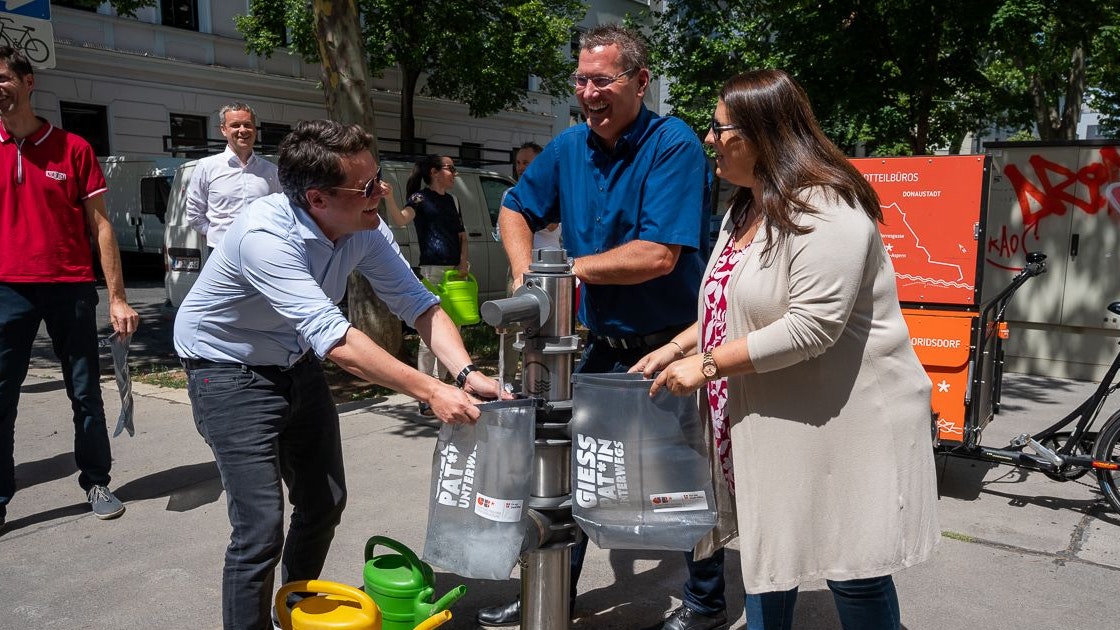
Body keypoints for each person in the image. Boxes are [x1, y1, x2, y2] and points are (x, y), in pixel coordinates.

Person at [634, 69, 941, 630]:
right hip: (772, 416)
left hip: (846, 423)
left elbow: (811, 327)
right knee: (767, 555)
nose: (709, 140)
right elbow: (728, 304)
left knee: (854, 567)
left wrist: (703, 366)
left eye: (718, 127)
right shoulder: (745, 207)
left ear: (759, 134)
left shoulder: (828, 209)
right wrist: (676, 345)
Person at [173, 120, 504, 630]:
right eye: (367, 187)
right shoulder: (266, 234)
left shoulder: (364, 225)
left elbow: (418, 303)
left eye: (378, 179)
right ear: (317, 198)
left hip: (293, 360)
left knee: (324, 502)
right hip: (227, 370)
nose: (382, 193)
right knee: (259, 529)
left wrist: (462, 372)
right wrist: (431, 389)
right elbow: (337, 338)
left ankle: (293, 612)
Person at [483, 25, 729, 630]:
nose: (589, 92)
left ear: (641, 82)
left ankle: (705, 603)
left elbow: (658, 255)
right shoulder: (568, 147)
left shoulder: (673, 144)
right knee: (569, 475)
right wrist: (523, 274)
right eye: (581, 80)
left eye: (603, 80)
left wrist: (558, 272)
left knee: (684, 474)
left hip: (672, 345)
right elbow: (516, 207)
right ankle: (552, 591)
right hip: (596, 347)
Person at [0, 46, 140, 530]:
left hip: (70, 286)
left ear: (26, 81)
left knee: (85, 393)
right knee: (1, 398)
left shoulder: (73, 149)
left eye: (2, 77)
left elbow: (102, 226)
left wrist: (118, 297)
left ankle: (97, 480)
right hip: (6, 291)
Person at [383, 154, 468, 416]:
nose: (454, 173)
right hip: (433, 270)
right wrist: (388, 198)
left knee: (455, 328)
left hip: (455, 271)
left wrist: (464, 263)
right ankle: (426, 390)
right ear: (434, 171)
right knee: (431, 329)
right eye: (450, 168)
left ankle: (443, 384)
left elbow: (462, 236)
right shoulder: (419, 198)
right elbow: (400, 220)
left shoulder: (453, 200)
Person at [498, 140, 558, 382]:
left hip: (549, 272)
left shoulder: (554, 191)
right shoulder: (510, 195)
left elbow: (552, 223)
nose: (521, 168)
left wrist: (524, 215)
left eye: (527, 162)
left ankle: (542, 378)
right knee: (510, 327)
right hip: (519, 269)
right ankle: (508, 379)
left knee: (547, 328)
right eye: (519, 163)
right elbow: (506, 231)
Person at [185, 101, 280, 253]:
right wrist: (216, 234)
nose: (243, 130)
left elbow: (280, 211)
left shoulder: (271, 171)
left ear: (255, 129)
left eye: (248, 125)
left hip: (261, 251)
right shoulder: (206, 167)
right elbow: (194, 212)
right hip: (221, 252)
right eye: (235, 125)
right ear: (224, 129)